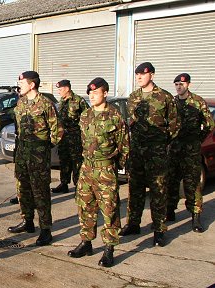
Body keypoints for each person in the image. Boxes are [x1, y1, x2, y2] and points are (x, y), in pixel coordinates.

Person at [67, 77, 129, 267]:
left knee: (109, 209)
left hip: (105, 169)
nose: (91, 96)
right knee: (85, 206)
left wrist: (115, 166)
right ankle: (86, 242)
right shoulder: (85, 115)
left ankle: (109, 248)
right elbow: (82, 142)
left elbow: (124, 145)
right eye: (90, 93)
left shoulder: (114, 116)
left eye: (95, 92)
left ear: (105, 93)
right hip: (87, 169)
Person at [121, 62, 180, 247]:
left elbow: (175, 125)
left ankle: (159, 229)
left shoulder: (164, 97)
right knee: (135, 190)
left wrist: (161, 143)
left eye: (142, 74)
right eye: (137, 74)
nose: (138, 77)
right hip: (137, 152)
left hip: (157, 153)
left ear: (152, 75)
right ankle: (133, 223)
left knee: (158, 191)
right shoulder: (133, 97)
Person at [7, 71, 63, 246]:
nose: (19, 86)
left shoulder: (46, 104)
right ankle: (28, 221)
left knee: (41, 192)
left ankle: (46, 229)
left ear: (32, 85)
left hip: (38, 156)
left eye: (22, 83)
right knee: (22, 189)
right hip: (22, 153)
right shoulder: (21, 102)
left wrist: (44, 148)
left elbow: (58, 131)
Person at [166, 73, 214, 233]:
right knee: (171, 183)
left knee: (192, 185)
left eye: (182, 84)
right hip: (174, 151)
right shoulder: (172, 102)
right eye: (177, 84)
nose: (179, 87)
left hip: (191, 152)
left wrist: (197, 139)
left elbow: (209, 124)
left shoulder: (198, 102)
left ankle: (195, 218)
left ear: (188, 85)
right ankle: (170, 212)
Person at [51, 79, 89, 194]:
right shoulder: (61, 101)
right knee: (64, 160)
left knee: (76, 162)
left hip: (75, 137)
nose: (59, 92)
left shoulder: (78, 100)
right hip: (63, 137)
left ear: (67, 89)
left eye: (60, 89)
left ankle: (79, 185)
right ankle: (64, 183)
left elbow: (87, 117)